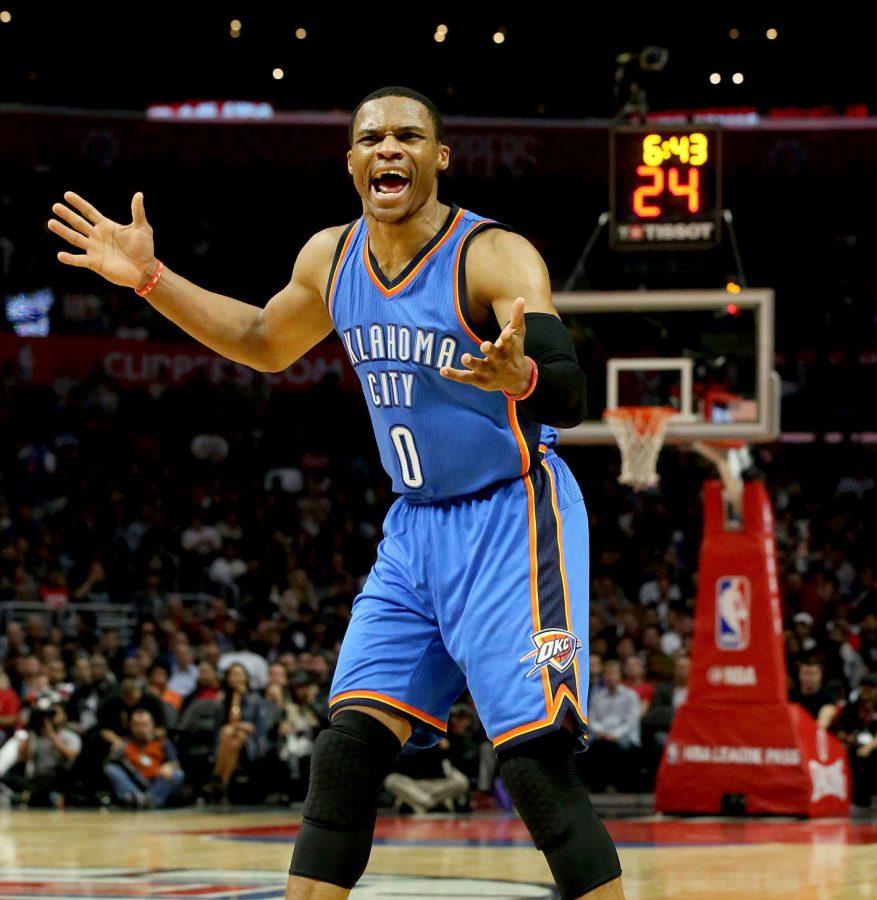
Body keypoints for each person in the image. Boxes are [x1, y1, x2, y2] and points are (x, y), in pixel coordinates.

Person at [48, 85, 622, 899]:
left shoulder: (492, 254)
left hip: (511, 517)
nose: (389, 149)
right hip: (414, 531)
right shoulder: (329, 256)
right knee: (345, 753)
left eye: (409, 137)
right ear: (351, 160)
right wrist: (149, 279)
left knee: (533, 767)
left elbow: (568, 385)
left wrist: (521, 373)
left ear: (439, 157)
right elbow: (259, 341)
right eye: (372, 138)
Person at [103, 708, 184, 808]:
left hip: (156, 781)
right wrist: (115, 750)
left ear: (152, 725)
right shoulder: (124, 742)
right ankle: (139, 799)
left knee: (177, 774)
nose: (140, 728)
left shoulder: (163, 742)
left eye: (144, 724)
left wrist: (168, 766)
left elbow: (175, 762)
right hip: (134, 783)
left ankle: (149, 800)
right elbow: (110, 763)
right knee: (111, 769)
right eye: (136, 725)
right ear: (130, 726)